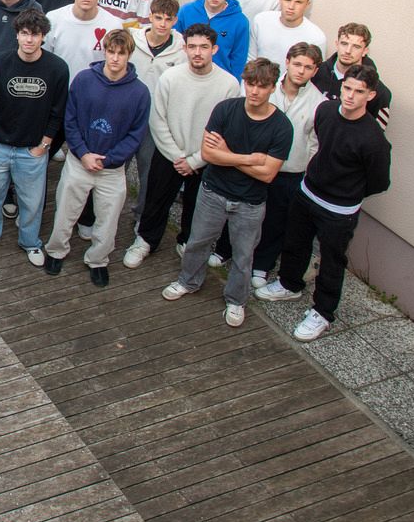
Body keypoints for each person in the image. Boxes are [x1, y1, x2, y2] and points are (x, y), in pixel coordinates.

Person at [256, 65, 391, 342]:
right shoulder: (326, 111)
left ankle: (323, 312)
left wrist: (346, 192)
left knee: (331, 261)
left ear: (370, 95)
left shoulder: (373, 140)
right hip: (308, 192)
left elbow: (379, 182)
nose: (350, 96)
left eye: (359, 91)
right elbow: (320, 143)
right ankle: (289, 284)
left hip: (339, 210)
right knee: (295, 243)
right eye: (347, 88)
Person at [161, 58, 293, 328]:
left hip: (250, 203)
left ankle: (236, 300)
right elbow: (209, 154)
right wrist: (249, 159)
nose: (254, 91)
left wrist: (227, 154)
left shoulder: (281, 126)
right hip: (213, 192)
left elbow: (268, 174)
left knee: (243, 256)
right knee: (197, 242)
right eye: (250, 84)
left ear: (273, 87)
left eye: (262, 86)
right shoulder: (225, 109)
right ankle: (188, 281)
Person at [124, 24, 242, 267]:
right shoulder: (170, 77)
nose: (197, 52)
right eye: (192, 46)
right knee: (156, 200)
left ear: (214, 49)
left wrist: (196, 160)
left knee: (197, 207)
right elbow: (158, 119)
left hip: (205, 159)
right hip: (169, 154)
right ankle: (145, 240)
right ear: (184, 48)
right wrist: (177, 156)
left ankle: (188, 241)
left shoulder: (229, 85)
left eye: (204, 47)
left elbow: (225, 130)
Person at [42, 30, 150, 286]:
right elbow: (70, 120)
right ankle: (56, 251)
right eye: (111, 52)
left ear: (129, 55)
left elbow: (136, 134)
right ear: (104, 51)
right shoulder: (83, 80)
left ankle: (98, 260)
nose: (115, 58)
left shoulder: (140, 93)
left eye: (121, 53)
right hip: (79, 162)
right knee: (65, 211)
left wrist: (110, 159)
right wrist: (83, 153)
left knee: (108, 219)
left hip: (112, 170)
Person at [0, 10, 68, 265]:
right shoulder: (0, 63)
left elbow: (58, 111)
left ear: (43, 37)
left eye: (35, 34)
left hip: (33, 149)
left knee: (32, 202)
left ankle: (30, 242)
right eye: (24, 33)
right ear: (16, 34)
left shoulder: (58, 68)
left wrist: (44, 144)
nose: (29, 39)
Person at [251, 42, 322, 287]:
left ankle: (262, 264)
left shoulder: (318, 102)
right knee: (245, 212)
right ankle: (227, 250)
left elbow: (314, 144)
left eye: (308, 67)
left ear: (315, 71)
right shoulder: (267, 87)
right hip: (256, 164)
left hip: (290, 173)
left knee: (276, 221)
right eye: (298, 64)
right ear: (288, 62)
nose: (301, 71)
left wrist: (306, 172)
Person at [126, 0, 185, 220]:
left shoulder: (181, 50)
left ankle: (141, 216)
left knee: (148, 172)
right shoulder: (133, 40)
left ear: (175, 20)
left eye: (168, 19)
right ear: (150, 16)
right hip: (127, 116)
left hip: (155, 121)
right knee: (115, 168)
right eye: (158, 17)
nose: (162, 24)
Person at [44, 0, 125, 81]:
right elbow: (44, 58)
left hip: (96, 87)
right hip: (59, 86)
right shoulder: (53, 19)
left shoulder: (113, 25)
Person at [312, 22, 392, 127]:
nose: (348, 51)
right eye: (344, 44)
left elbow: (375, 133)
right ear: (337, 44)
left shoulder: (378, 91)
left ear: (365, 51)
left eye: (356, 47)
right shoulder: (315, 72)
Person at [177, 0, 250, 80]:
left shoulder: (240, 21)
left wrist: (235, 83)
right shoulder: (186, 11)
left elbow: (239, 59)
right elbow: (174, 42)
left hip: (220, 80)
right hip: (186, 75)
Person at [250, 0, 326, 66]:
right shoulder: (261, 21)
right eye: (287, 0)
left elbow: (315, 70)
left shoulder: (316, 38)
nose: (291, 7)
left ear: (307, 4)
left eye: (298, 2)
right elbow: (250, 58)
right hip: (257, 75)